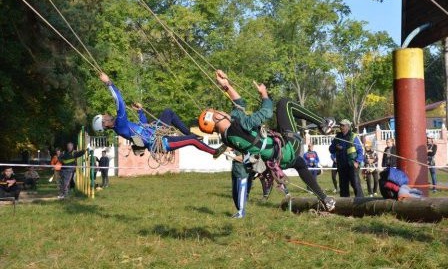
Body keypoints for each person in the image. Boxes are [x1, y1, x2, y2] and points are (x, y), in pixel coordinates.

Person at [198, 70, 336, 211]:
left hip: (278, 161)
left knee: (300, 165)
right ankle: (323, 124)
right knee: (285, 103)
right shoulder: (237, 127)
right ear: (216, 118)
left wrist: (226, 85)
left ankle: (325, 199)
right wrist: (264, 94)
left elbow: (238, 103)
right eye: (217, 112)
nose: (221, 111)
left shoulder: (228, 135)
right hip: (286, 150)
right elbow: (267, 112)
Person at [92, 73, 226, 159]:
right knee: (191, 140)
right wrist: (108, 82)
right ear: (105, 124)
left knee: (168, 113)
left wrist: (140, 111)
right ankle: (214, 152)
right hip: (162, 142)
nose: (107, 115)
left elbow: (142, 127)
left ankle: (191, 133)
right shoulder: (119, 125)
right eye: (104, 117)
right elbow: (119, 101)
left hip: (156, 133)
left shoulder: (123, 127)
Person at [329, 119, 364, 198]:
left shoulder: (353, 136)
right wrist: (336, 147)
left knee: (355, 184)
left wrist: (357, 162)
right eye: (340, 125)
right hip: (341, 165)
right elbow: (331, 149)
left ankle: (361, 202)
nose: (341, 127)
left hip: (352, 165)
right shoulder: (337, 137)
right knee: (343, 186)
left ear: (348, 126)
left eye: (343, 125)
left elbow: (360, 151)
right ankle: (344, 204)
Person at [228, 149, 254, 218]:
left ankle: (241, 213)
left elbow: (242, 158)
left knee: (241, 194)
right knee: (235, 194)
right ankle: (239, 211)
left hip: (242, 172)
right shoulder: (235, 145)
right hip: (235, 171)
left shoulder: (242, 145)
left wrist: (230, 155)